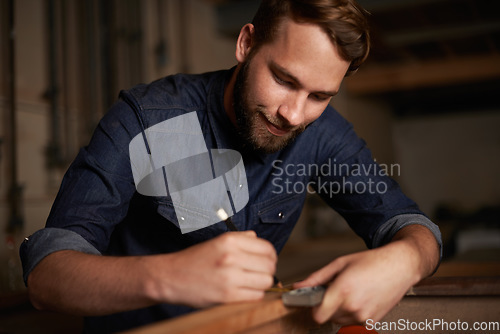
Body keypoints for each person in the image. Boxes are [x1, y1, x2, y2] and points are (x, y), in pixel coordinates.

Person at [20, 0, 441, 332]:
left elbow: (406, 222)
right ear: (246, 44)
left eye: (320, 96)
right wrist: (169, 276)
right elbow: (47, 275)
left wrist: (406, 260)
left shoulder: (323, 134)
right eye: (284, 80)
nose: (293, 114)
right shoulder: (150, 119)